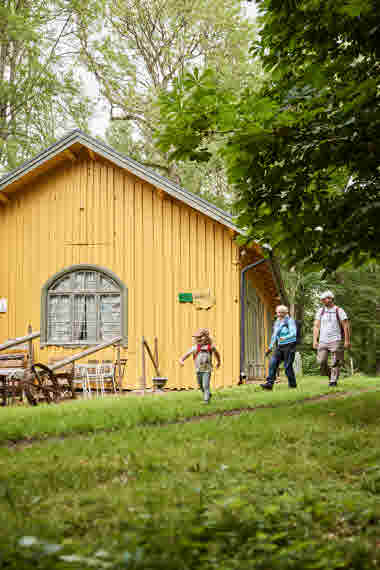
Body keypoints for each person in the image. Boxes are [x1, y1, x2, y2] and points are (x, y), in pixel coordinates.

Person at [313, 290, 350, 386]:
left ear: (331, 299)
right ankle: (330, 376)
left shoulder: (339, 310)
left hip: (335, 339)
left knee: (336, 361)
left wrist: (346, 340)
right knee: (321, 361)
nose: (323, 301)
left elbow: (345, 326)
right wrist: (315, 340)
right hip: (322, 340)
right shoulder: (320, 311)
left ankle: (333, 381)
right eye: (322, 299)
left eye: (325, 299)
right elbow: (316, 326)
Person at [261, 305, 297, 390]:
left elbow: (294, 333)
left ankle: (293, 385)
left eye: (282, 313)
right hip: (280, 346)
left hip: (289, 346)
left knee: (287, 367)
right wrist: (270, 347)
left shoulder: (289, 321)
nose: (279, 314)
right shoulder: (277, 322)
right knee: (272, 364)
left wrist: (285, 337)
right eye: (278, 312)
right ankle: (269, 384)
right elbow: (274, 335)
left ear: (285, 313)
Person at [179, 328, 221, 403]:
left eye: (200, 337)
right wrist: (181, 360)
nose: (198, 339)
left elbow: (217, 354)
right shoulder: (195, 348)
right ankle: (208, 394)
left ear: (206, 337)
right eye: (197, 338)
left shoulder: (210, 347)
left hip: (207, 370)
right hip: (198, 370)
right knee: (201, 386)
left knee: (206, 385)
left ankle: (206, 400)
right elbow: (187, 354)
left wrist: (218, 362)